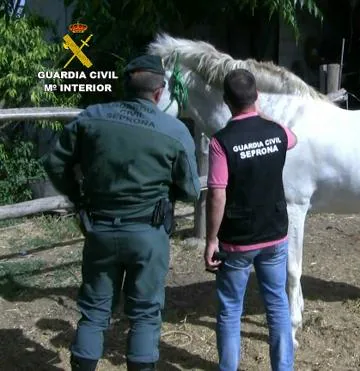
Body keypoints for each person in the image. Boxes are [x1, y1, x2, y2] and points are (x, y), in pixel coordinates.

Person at [42, 55, 201, 371]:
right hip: (148, 235)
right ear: (159, 92)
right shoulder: (175, 131)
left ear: (124, 85)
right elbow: (192, 190)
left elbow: (54, 163)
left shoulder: (92, 118)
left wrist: (78, 198)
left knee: (94, 310)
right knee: (144, 313)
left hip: (99, 229)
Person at [204, 68, 297, 371]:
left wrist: (211, 240)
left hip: (238, 239)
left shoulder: (221, 142)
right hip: (274, 234)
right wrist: (262, 116)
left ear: (226, 101)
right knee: (277, 305)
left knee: (231, 309)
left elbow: (218, 194)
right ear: (256, 97)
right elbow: (292, 137)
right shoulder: (278, 133)